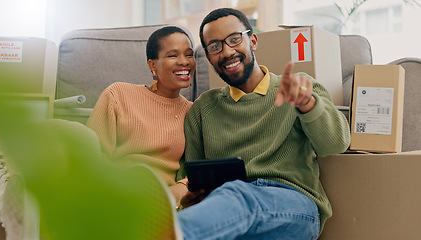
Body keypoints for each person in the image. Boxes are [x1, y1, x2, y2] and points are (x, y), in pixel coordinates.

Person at [175, 8, 350, 240]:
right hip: (229, 213)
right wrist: (193, 195)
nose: (227, 51)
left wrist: (307, 104)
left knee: (238, 195)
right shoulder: (202, 108)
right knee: (233, 198)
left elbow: (336, 144)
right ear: (208, 57)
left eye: (235, 39)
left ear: (253, 40)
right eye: (215, 46)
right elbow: (194, 175)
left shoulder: (299, 87)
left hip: (295, 208)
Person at [86, 26, 195, 203]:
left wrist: (182, 186)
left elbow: (200, 167)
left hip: (165, 202)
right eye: (173, 55)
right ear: (153, 65)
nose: (184, 62)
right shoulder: (118, 94)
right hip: (116, 193)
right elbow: (92, 156)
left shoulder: (192, 111)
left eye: (189, 54)